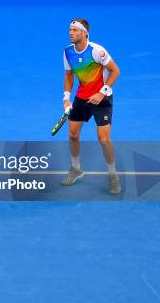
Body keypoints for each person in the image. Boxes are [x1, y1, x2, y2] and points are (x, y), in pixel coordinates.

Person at [61, 18, 121, 194]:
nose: (71, 33)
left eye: (75, 30)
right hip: (82, 97)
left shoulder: (97, 51)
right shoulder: (67, 52)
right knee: (72, 134)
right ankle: (76, 169)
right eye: (70, 30)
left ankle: (112, 175)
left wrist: (102, 92)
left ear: (84, 33)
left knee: (103, 139)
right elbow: (69, 76)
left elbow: (115, 71)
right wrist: (66, 98)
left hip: (102, 99)